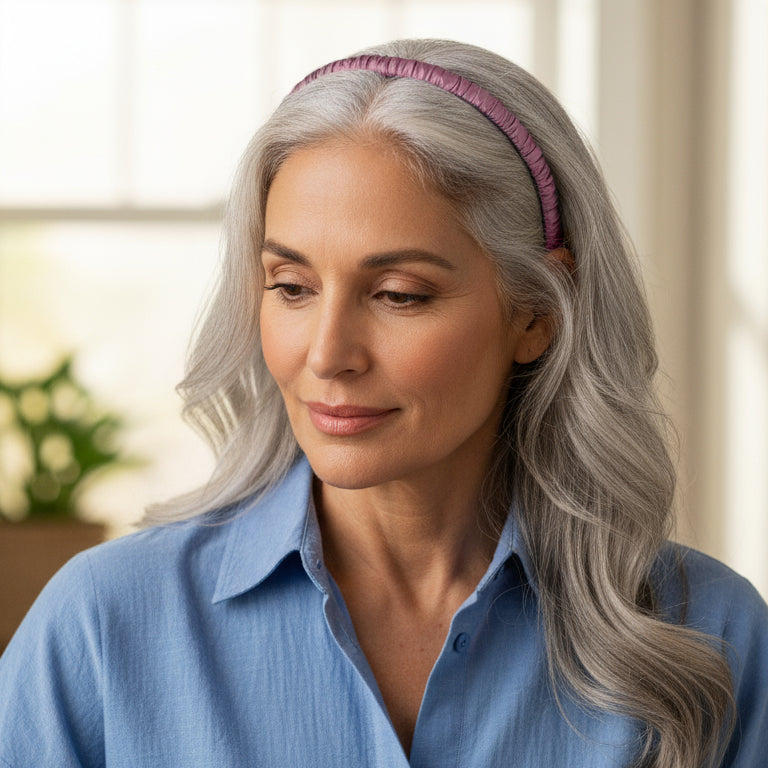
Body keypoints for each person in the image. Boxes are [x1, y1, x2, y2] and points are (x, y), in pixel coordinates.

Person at [1, 38, 766, 768]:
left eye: (399, 294)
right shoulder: (104, 624)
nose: (328, 354)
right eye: (291, 287)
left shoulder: (709, 638)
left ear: (539, 312)